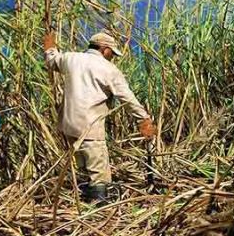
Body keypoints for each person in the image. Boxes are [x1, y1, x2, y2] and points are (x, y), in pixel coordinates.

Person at [43, 31, 155, 202]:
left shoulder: (70, 59)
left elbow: (52, 60)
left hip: (68, 126)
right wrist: (143, 119)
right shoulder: (108, 69)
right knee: (98, 174)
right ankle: (98, 207)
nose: (112, 57)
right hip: (90, 128)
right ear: (104, 49)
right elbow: (128, 98)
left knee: (82, 167)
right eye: (112, 53)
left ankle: (83, 201)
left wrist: (49, 44)